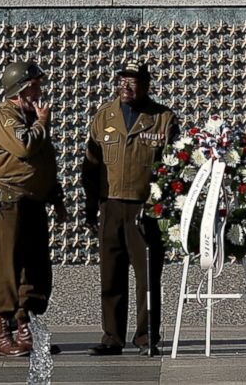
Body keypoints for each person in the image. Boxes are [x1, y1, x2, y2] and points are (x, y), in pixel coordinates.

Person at [81, 61, 179, 356]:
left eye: (133, 81)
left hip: (144, 209)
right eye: (122, 79)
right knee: (111, 274)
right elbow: (91, 166)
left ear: (146, 85)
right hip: (110, 205)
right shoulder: (103, 116)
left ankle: (146, 335)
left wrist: (161, 209)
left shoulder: (162, 118)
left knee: (147, 276)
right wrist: (90, 208)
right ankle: (112, 336)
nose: (125, 85)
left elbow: (172, 169)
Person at [0, 60, 66, 357]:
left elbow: (44, 164)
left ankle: (25, 326)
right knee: (8, 265)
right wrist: (43, 122)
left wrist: (56, 198)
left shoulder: (29, 117)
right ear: (22, 89)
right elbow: (24, 147)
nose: (40, 91)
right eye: (35, 86)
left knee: (35, 266)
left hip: (32, 199)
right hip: (9, 198)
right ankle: (3, 331)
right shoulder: (4, 116)